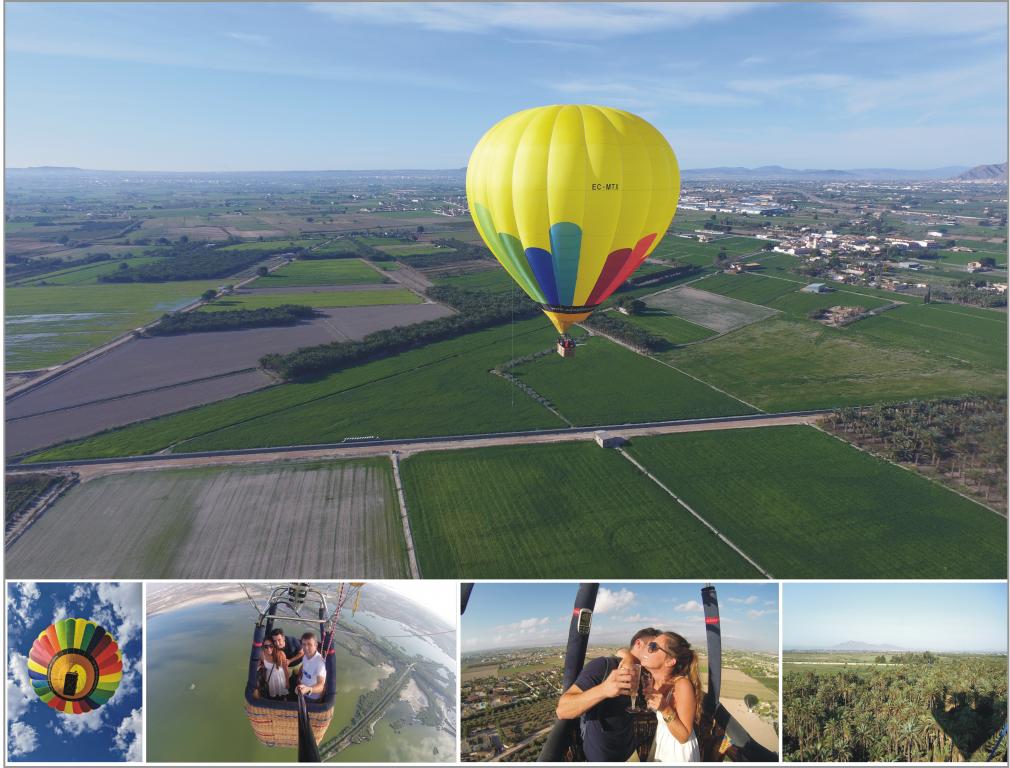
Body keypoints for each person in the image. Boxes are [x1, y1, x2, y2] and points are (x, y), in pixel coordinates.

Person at [555, 628, 660, 762]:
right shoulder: (602, 666)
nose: (656, 653)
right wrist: (604, 690)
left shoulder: (644, 674)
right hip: (600, 758)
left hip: (629, 754)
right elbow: (563, 710)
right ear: (638, 644)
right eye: (653, 646)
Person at [639, 632, 702, 763]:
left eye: (653, 646)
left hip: (678, 752)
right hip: (662, 743)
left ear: (670, 661)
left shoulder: (682, 685)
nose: (647, 648)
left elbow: (684, 736)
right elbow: (626, 653)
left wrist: (665, 708)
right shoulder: (652, 680)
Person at [294, 632, 326, 702]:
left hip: (312, 695)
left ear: (316, 645)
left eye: (309, 644)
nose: (306, 648)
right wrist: (299, 677)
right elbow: (303, 666)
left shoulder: (320, 663)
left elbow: (321, 685)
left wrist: (309, 689)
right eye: (304, 644)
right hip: (302, 687)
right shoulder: (305, 656)